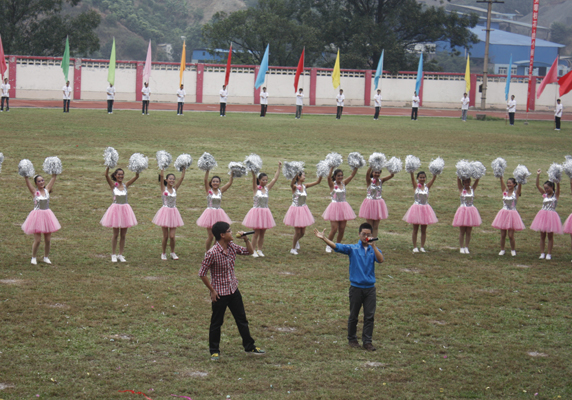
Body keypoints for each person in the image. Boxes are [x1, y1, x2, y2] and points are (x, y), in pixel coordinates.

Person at [199, 221, 265, 361]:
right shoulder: (212, 253)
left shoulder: (232, 246)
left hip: (233, 289)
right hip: (220, 293)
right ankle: (214, 351)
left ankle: (249, 345)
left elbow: (249, 251)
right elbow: (202, 273)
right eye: (229, 231)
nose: (231, 232)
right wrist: (212, 291)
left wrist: (246, 239)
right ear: (222, 235)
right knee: (216, 322)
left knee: (242, 320)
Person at [314, 223, 384, 351]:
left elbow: (380, 260)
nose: (366, 237)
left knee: (369, 316)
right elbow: (337, 247)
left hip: (370, 289)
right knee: (354, 315)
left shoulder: (374, 250)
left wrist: (374, 246)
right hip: (356, 288)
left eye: (368, 235)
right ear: (359, 234)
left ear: (372, 236)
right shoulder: (353, 249)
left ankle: (367, 341)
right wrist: (324, 239)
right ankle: (352, 339)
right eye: (363, 234)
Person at [242, 162, 281, 257]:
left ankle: (260, 250)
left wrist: (279, 168)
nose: (265, 181)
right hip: (256, 212)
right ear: (259, 180)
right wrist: (253, 172)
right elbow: (253, 179)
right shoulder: (255, 189)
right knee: (256, 233)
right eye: (263, 180)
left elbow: (275, 179)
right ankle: (253, 250)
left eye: (266, 180)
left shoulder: (267, 189)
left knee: (262, 234)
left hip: (265, 212)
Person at [100, 167, 139, 262]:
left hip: (125, 211)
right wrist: (108, 165)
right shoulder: (113, 186)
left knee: (123, 235)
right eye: (119, 174)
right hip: (116, 211)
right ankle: (113, 254)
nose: (121, 176)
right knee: (116, 234)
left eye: (122, 174)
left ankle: (120, 254)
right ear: (115, 175)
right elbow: (105, 175)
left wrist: (138, 168)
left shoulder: (126, 185)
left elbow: (136, 176)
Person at [22, 173, 61, 265]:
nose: (41, 182)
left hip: (47, 216)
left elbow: (53, 179)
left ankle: (46, 257)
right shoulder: (35, 192)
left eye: (42, 180)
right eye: (39, 181)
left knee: (48, 240)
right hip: (37, 217)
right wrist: (26, 177)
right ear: (36, 183)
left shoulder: (47, 190)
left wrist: (54, 174)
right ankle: (33, 257)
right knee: (38, 240)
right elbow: (28, 184)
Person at [283, 171, 322, 255]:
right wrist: (294, 175)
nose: (304, 177)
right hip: (296, 210)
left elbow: (318, 182)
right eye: (303, 175)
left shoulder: (305, 186)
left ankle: (296, 240)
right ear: (298, 177)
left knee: (303, 233)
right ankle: (293, 248)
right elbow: (291, 184)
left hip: (303, 209)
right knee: (297, 232)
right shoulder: (294, 187)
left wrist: (321, 173)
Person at [152, 169, 186, 260]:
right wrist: (162, 168)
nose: (172, 180)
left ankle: (172, 252)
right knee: (165, 236)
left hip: (174, 213)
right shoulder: (163, 188)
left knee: (172, 236)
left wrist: (184, 170)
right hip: (165, 213)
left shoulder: (175, 189)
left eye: (173, 179)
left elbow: (182, 179)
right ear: (166, 180)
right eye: (170, 179)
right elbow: (161, 176)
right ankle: (163, 253)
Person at [322, 166, 358, 252]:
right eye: (338, 175)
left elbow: (352, 175)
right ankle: (328, 245)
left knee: (342, 229)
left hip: (344, 207)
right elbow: (328, 177)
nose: (340, 177)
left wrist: (356, 167)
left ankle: (337, 246)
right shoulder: (332, 184)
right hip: (334, 207)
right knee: (334, 229)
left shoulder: (344, 183)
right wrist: (331, 167)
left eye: (341, 175)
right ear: (334, 176)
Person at [197, 170, 234, 252]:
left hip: (219, 214)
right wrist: (207, 170)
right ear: (211, 182)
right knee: (210, 236)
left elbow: (229, 183)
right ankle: (207, 252)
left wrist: (232, 173)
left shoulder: (220, 191)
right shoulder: (209, 191)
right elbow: (205, 180)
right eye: (213, 181)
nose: (215, 183)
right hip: (209, 214)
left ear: (220, 183)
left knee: (218, 235)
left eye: (217, 181)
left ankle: (214, 250)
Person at [530, 170, 562, 260]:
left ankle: (549, 253)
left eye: (547, 188)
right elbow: (537, 185)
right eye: (545, 188)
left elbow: (559, 188)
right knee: (542, 235)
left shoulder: (556, 195)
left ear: (552, 187)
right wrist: (538, 175)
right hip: (543, 215)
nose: (546, 190)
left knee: (550, 236)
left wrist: (557, 180)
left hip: (551, 216)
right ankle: (542, 253)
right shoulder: (544, 195)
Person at [402, 170, 438, 253]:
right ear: (417, 178)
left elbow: (433, 179)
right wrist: (411, 171)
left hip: (425, 209)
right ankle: (415, 246)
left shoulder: (427, 186)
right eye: (420, 177)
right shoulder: (416, 186)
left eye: (423, 177)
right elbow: (412, 177)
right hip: (416, 209)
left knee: (424, 229)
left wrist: (435, 174)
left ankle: (422, 246)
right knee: (415, 229)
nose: (422, 179)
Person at [491, 176, 524, 256]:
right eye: (507, 183)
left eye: (510, 183)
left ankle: (513, 250)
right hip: (503, 213)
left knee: (511, 235)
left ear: (514, 184)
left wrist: (520, 180)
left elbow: (519, 187)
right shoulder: (504, 191)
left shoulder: (516, 193)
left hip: (512, 214)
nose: (508, 184)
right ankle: (502, 249)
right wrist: (501, 177)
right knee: (502, 234)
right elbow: (501, 183)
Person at [358, 166, 394, 238]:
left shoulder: (381, 180)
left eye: (378, 173)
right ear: (372, 172)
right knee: (370, 226)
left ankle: (373, 242)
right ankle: (368, 241)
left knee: (376, 226)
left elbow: (391, 175)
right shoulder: (369, 180)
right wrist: (371, 165)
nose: (376, 174)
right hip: (370, 204)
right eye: (375, 172)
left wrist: (391, 168)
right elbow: (367, 174)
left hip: (378, 204)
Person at [452, 176, 481, 254]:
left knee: (468, 231)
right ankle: (461, 247)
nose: (467, 184)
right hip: (463, 211)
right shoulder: (461, 189)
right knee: (462, 231)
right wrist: (459, 175)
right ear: (463, 183)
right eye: (465, 182)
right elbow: (458, 180)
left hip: (471, 211)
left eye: (468, 182)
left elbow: (477, 180)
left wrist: (478, 175)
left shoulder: (472, 189)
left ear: (470, 182)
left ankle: (466, 247)